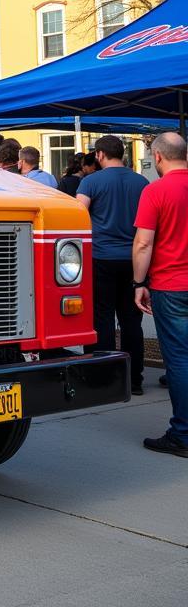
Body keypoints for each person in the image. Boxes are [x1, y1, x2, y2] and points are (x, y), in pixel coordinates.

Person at [77, 134, 150, 395]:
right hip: (134, 260)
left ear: (99, 155)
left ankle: (103, 377)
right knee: (131, 321)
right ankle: (135, 379)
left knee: (102, 318)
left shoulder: (90, 181)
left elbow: (77, 214)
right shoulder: (141, 182)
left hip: (101, 258)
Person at [132, 132, 188, 457]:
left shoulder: (155, 190)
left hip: (172, 285)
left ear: (157, 157)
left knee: (179, 360)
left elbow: (143, 243)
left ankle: (182, 433)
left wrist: (139, 283)